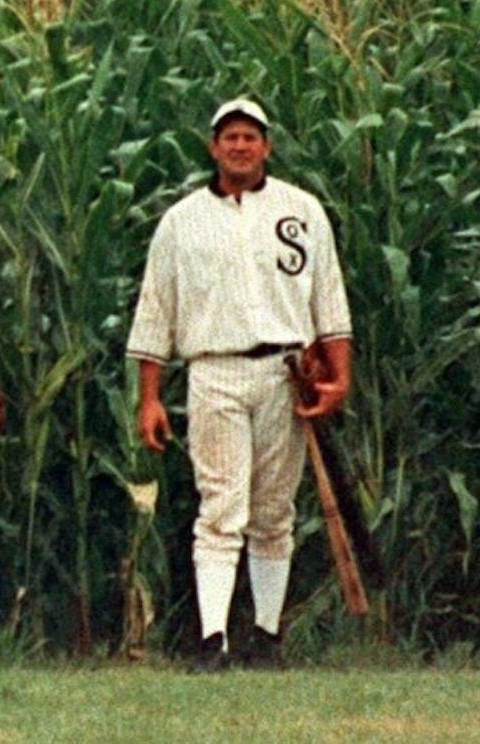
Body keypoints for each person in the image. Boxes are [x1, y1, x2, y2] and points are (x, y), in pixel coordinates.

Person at [128, 99, 353, 671]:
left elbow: (329, 302)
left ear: (267, 146)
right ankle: (212, 639)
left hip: (285, 373)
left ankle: (267, 633)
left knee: (274, 509)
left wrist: (338, 378)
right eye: (229, 136)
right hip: (214, 371)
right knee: (221, 506)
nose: (239, 146)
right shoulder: (182, 222)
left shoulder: (301, 211)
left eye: (250, 136)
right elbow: (156, 310)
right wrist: (150, 396)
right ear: (213, 147)